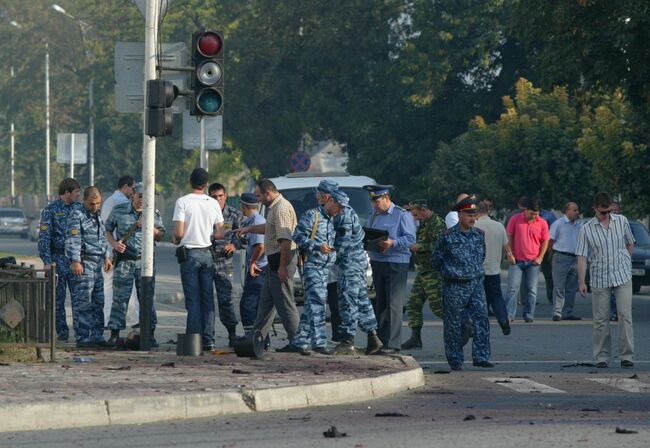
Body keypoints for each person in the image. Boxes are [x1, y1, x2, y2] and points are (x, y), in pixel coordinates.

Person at [236, 179, 300, 351]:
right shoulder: (274, 208)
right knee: (265, 304)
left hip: (282, 259)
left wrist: (282, 266)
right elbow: (269, 228)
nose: (258, 200)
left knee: (285, 303)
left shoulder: (281, 209)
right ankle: (255, 340)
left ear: (268, 193)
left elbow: (286, 240)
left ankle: (298, 341)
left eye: (259, 196)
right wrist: (248, 229)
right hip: (274, 262)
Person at [432, 196, 493, 371]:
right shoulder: (446, 237)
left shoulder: (479, 235)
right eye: (468, 215)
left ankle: (481, 356)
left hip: (475, 283)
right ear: (459, 215)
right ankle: (455, 359)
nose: (472, 218)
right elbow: (436, 260)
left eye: (474, 215)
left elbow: (481, 256)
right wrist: (450, 273)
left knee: (481, 319)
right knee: (453, 323)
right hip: (454, 285)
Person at [577, 192, 635, 368]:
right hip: (599, 277)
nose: (606, 215)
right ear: (595, 208)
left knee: (625, 315)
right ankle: (602, 356)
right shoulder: (586, 228)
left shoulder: (622, 221)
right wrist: (581, 282)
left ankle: (627, 355)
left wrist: (625, 261)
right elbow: (581, 256)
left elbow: (630, 243)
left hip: (622, 275)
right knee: (601, 319)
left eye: (609, 211)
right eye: (603, 212)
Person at [105, 182, 165, 346]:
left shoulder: (153, 213)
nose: (143, 200)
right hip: (125, 261)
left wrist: (151, 228)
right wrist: (115, 244)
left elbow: (161, 235)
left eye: (147, 197)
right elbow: (108, 229)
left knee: (146, 298)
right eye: (140, 196)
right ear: (133, 194)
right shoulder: (119, 210)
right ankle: (115, 334)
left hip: (145, 262)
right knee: (119, 299)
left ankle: (149, 333)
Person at [172, 168, 225, 352]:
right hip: (208, 254)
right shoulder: (213, 203)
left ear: (190, 181)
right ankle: (209, 340)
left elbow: (179, 233)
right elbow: (220, 232)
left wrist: (176, 239)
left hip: (190, 255)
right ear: (206, 184)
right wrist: (208, 235)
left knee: (193, 300)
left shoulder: (182, 202)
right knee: (208, 298)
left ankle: (193, 341)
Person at [290, 188, 347, 355]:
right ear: (330, 200)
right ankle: (319, 343)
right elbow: (297, 236)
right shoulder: (312, 215)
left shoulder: (333, 219)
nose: (341, 211)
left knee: (311, 305)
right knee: (317, 304)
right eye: (339, 206)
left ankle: (300, 341)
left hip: (327, 269)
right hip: (312, 266)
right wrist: (316, 246)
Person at [328, 187, 383, 355]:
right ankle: (373, 338)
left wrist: (328, 256)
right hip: (356, 264)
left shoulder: (343, 216)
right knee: (362, 301)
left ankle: (347, 341)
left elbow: (342, 246)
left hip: (349, 265)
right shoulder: (349, 212)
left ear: (333, 200)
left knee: (347, 301)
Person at [364, 184, 417, 353]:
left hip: (396, 262)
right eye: (372, 201)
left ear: (386, 198)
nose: (375, 204)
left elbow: (410, 239)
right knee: (381, 303)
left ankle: (393, 344)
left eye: (377, 200)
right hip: (378, 261)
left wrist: (392, 242)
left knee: (394, 304)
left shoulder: (402, 214)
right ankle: (381, 341)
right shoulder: (373, 214)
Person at [65, 186, 112, 348]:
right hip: (84, 263)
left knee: (98, 302)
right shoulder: (76, 215)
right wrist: (75, 260)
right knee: (83, 303)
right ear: (84, 200)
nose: (95, 206)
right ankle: (83, 338)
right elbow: (73, 239)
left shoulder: (98, 215)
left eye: (98, 203)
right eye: (92, 204)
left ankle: (97, 336)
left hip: (98, 262)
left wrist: (106, 256)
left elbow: (102, 237)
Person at [38, 178, 82, 342]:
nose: (78, 195)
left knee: (79, 298)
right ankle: (62, 332)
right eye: (76, 192)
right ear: (67, 192)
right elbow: (44, 238)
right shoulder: (50, 210)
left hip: (76, 260)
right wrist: (47, 261)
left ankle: (80, 332)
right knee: (57, 300)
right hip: (57, 259)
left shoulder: (80, 209)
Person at [401, 200, 446, 350]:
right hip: (423, 270)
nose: (415, 218)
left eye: (416, 214)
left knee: (438, 306)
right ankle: (415, 338)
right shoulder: (425, 223)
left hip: (433, 271)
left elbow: (441, 246)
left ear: (424, 210)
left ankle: (463, 325)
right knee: (413, 304)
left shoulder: (437, 223)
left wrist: (420, 247)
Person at [207, 183, 244, 347]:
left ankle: (232, 334)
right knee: (205, 300)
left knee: (226, 299)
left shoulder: (234, 214)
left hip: (224, 263)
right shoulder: (204, 213)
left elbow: (243, 235)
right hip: (206, 260)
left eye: (220, 196)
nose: (217, 199)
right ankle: (207, 336)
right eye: (214, 197)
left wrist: (234, 245)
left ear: (225, 196)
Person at [504, 197, 550, 322]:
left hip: (533, 262)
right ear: (526, 210)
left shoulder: (542, 223)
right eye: (532, 214)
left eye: (536, 214)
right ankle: (509, 315)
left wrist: (540, 258)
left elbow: (545, 242)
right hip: (516, 261)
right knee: (512, 288)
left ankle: (529, 315)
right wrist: (509, 254)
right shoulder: (515, 219)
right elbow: (507, 238)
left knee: (532, 290)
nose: (534, 216)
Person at [101, 175, 136, 328]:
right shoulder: (122, 203)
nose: (133, 193)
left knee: (108, 288)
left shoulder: (109, 200)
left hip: (108, 250)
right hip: (119, 251)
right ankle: (136, 319)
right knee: (130, 287)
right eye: (133, 189)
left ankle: (107, 319)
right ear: (126, 187)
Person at [474, 200, 513, 335]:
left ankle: (479, 326)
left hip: (478, 269)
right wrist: (506, 257)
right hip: (494, 268)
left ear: (476, 212)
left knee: (478, 298)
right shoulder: (499, 226)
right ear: (488, 211)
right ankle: (503, 319)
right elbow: (505, 246)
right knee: (496, 296)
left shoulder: (475, 226)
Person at [237, 193, 268, 337]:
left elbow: (261, 246)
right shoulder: (252, 221)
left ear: (244, 206)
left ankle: (253, 337)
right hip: (258, 267)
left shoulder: (257, 221)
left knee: (248, 305)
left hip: (259, 269)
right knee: (255, 306)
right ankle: (259, 337)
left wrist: (252, 262)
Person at [549, 202, 582, 321]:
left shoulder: (579, 225)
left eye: (577, 210)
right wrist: (551, 255)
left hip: (575, 258)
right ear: (567, 211)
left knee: (571, 287)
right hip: (561, 257)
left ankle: (568, 312)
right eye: (575, 210)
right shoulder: (558, 224)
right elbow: (551, 241)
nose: (577, 212)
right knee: (559, 286)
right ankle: (557, 312)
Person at [540, 205, 557, 304]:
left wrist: (551, 250)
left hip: (547, 248)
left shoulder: (549, 216)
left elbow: (553, 233)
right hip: (535, 246)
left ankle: (551, 296)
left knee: (549, 274)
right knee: (547, 274)